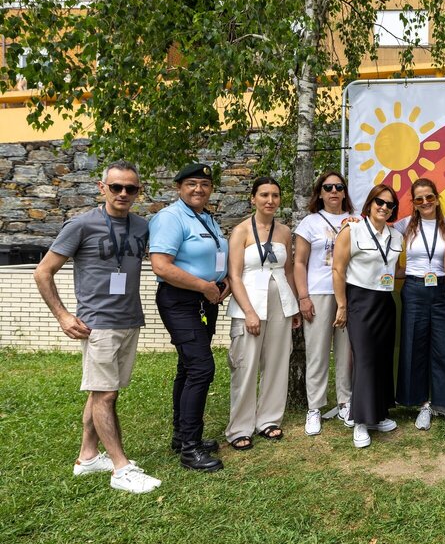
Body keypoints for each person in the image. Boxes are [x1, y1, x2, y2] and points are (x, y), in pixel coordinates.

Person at [34, 161, 161, 493]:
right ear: (102, 187)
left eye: (130, 188)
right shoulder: (81, 225)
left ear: (138, 192)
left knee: (102, 391)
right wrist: (63, 316)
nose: (123, 193)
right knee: (105, 394)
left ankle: (88, 456)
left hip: (129, 319)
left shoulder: (142, 226)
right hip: (97, 324)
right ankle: (121, 468)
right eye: (116, 187)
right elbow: (43, 272)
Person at [150, 162, 230, 472]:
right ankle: (190, 449)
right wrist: (203, 286)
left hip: (206, 301)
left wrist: (223, 282)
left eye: (205, 184)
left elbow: (214, 257)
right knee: (201, 368)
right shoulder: (171, 217)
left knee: (187, 367)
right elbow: (161, 265)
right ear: (179, 187)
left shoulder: (206, 217)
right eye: (192, 184)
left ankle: (181, 437)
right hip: (180, 300)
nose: (199, 189)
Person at [225, 177, 301, 450]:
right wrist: (249, 312)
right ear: (253, 198)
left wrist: (293, 305)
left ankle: (268, 419)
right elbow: (234, 275)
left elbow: (288, 270)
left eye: (275, 195)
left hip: (280, 303)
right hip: (250, 305)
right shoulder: (241, 231)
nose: (270, 200)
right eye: (264, 195)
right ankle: (239, 427)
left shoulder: (284, 232)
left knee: (277, 364)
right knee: (245, 366)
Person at [333, 184, 403, 449]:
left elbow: (395, 270)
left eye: (389, 204)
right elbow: (338, 270)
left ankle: (378, 415)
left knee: (382, 359)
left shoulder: (396, 236)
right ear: (370, 204)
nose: (384, 207)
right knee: (364, 359)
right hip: (359, 301)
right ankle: (360, 421)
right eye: (379, 202)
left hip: (385, 301)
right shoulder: (352, 230)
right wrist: (342, 305)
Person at [294, 171, 357, 436]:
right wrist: (303, 296)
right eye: (328, 187)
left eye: (339, 187)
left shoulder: (356, 221)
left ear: (344, 192)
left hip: (349, 292)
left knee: (346, 352)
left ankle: (345, 402)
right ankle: (315, 407)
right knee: (317, 352)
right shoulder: (309, 222)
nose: (333, 192)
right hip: (318, 292)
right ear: (320, 192)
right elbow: (299, 263)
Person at [394, 178, 445, 429]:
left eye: (429, 197)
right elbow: (376, 231)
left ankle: (443, 402)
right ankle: (421, 403)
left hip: (442, 289)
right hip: (414, 289)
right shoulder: (404, 225)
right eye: (419, 199)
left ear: (437, 198)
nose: (425, 202)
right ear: (413, 202)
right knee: (414, 345)